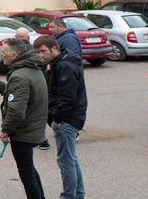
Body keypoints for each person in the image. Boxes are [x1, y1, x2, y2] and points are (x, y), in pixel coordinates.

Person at [0, 38, 48, 199]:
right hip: (33, 128)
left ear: (14, 55)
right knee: (29, 169)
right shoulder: (30, 68)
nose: (2, 55)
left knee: (26, 173)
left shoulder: (20, 75)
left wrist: (6, 130)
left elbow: (16, 110)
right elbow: (16, 93)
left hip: (25, 132)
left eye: (4, 52)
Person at [36, 35, 88, 199]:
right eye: (38, 52)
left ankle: (69, 196)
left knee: (65, 161)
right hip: (67, 117)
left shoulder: (65, 65)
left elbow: (67, 98)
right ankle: (78, 194)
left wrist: (56, 119)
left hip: (67, 119)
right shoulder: (59, 62)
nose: (41, 55)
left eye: (43, 51)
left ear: (54, 48)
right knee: (71, 159)